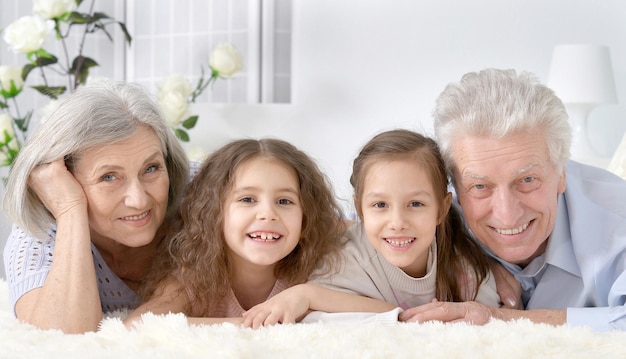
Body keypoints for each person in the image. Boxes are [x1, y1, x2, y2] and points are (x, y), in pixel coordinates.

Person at [399, 68, 626, 332]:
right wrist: (474, 260)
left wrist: (498, 319)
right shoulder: (432, 208)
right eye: (480, 186)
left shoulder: (617, 220)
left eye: (527, 180)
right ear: (455, 188)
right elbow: (348, 228)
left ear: (561, 173)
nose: (507, 215)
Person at [242, 129, 501, 327]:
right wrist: (310, 295)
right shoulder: (341, 259)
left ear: (442, 209)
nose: (398, 222)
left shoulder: (465, 267)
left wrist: (312, 295)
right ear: (360, 208)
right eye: (380, 205)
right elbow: (317, 327)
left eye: (415, 203)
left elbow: (496, 331)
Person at [124, 138, 394, 326]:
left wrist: (307, 296)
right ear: (214, 213)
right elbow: (138, 324)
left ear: (306, 219)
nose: (268, 214)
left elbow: (393, 314)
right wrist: (248, 325)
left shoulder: (318, 269)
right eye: (247, 199)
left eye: (284, 201)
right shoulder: (194, 279)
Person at [2, 80, 191, 334]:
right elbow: (61, 338)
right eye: (109, 177)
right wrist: (70, 209)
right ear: (65, 178)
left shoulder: (207, 189)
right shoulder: (36, 239)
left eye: (151, 168)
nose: (139, 200)